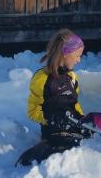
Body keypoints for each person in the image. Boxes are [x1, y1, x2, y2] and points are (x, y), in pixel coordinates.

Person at [16, 30, 91, 167]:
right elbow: (32, 111)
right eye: (77, 55)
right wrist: (51, 118)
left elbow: (74, 105)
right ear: (65, 53)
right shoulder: (42, 79)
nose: (79, 60)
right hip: (54, 133)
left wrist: (83, 119)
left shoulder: (72, 78)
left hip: (73, 129)